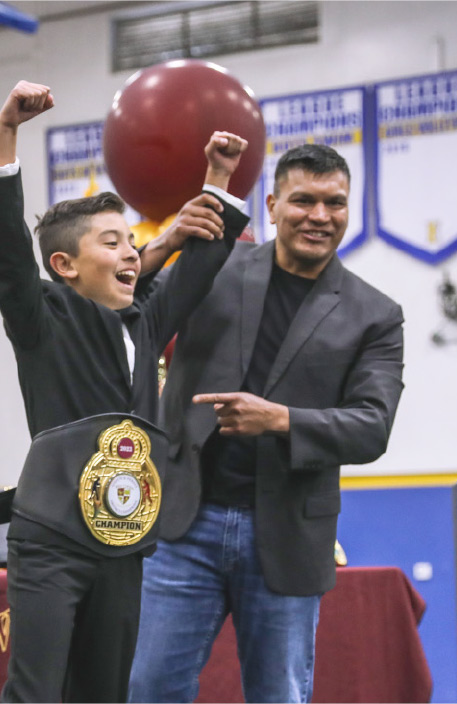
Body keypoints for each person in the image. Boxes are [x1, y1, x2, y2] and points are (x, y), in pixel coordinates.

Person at [0, 80, 251, 703]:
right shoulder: (41, 318)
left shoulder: (146, 323)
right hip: (49, 540)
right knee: (36, 693)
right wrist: (5, 136)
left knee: (104, 695)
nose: (132, 251)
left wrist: (217, 178)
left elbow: (199, 268)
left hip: (124, 542)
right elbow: (7, 255)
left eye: (132, 241)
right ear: (65, 267)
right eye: (112, 242)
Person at [128, 144, 406, 703]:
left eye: (335, 203)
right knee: (148, 688)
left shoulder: (375, 314)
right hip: (185, 520)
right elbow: (126, 316)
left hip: (286, 534)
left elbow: (372, 428)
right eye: (303, 200)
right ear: (274, 206)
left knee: (279, 695)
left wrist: (278, 419)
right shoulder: (218, 264)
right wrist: (164, 243)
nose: (319, 216)